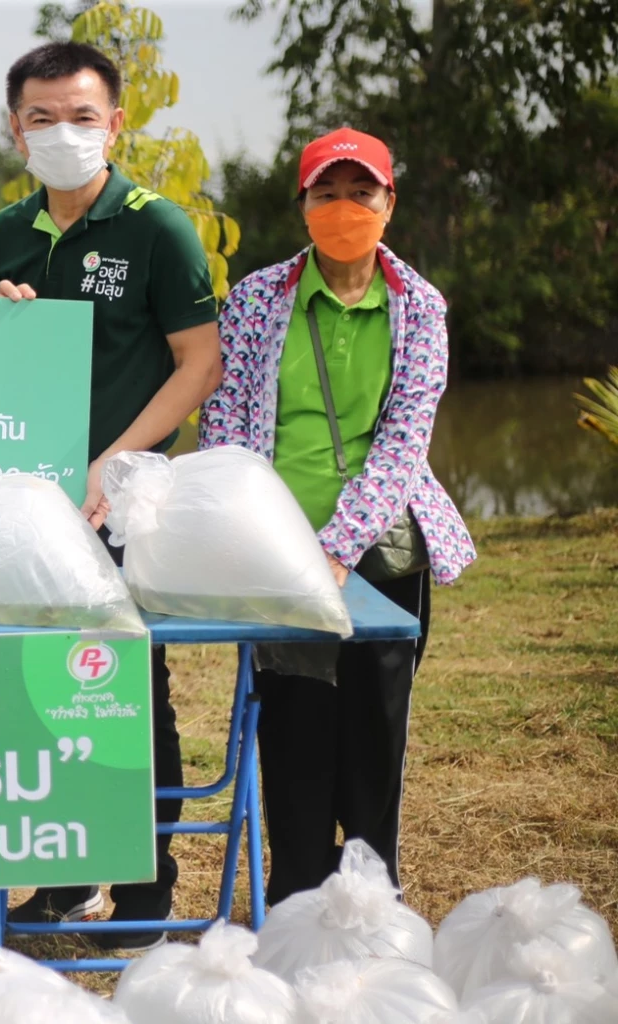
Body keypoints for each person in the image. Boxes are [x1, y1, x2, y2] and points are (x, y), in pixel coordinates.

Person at [0, 41, 223, 952]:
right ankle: (63, 872)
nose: (62, 133)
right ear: (15, 131)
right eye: (40, 118)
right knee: (38, 684)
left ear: (115, 123)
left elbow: (198, 363)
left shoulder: (156, 228)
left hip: (120, 499)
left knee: (123, 687)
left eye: (81, 116)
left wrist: (112, 464)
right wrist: (1, 323)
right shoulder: (5, 233)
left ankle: (144, 885)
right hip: (29, 503)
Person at [200, 128, 476, 904]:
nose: (343, 207)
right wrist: (256, 536)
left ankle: (368, 908)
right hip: (273, 554)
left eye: (361, 192)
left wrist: (336, 547)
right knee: (291, 741)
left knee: (370, 746)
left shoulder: (418, 307)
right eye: (326, 193)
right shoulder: (257, 298)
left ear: (389, 203)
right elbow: (222, 420)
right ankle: (292, 908)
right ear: (302, 205)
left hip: (380, 557)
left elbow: (401, 442)